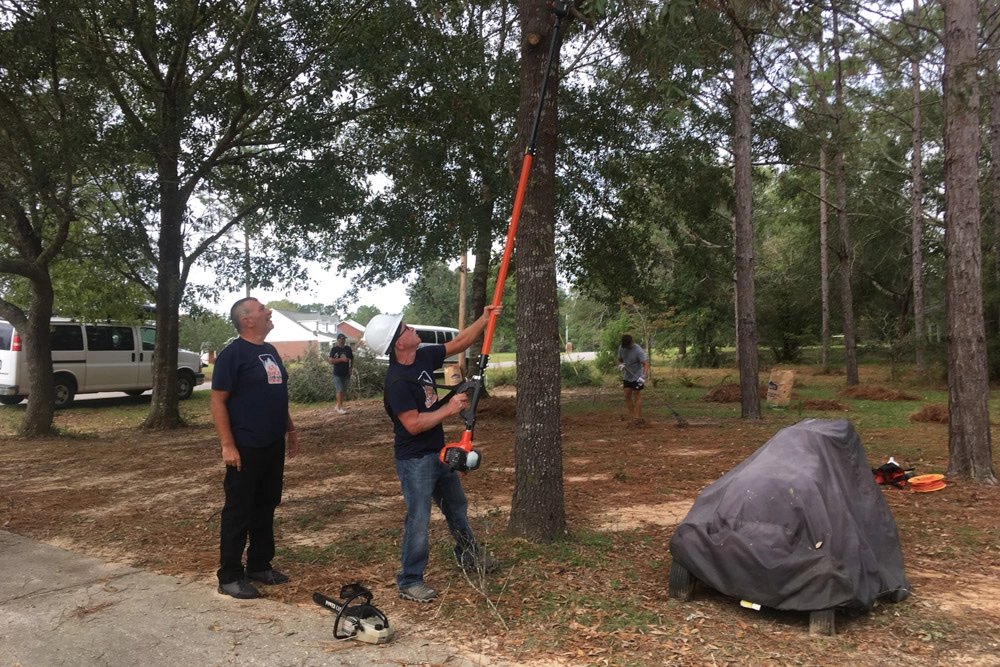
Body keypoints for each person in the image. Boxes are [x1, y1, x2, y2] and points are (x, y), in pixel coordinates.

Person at [362, 306, 502, 603]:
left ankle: (469, 556)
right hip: (415, 460)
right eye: (404, 328)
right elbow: (412, 425)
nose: (410, 327)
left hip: (438, 453)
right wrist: (450, 408)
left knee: (456, 507)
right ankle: (410, 580)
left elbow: (459, 343)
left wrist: (485, 317)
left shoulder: (423, 355)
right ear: (399, 344)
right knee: (419, 519)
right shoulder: (398, 382)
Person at [210, 297, 299, 599]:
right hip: (246, 445)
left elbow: (277, 393)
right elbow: (218, 401)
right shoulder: (232, 355)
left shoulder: (270, 351)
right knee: (239, 509)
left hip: (272, 442)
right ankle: (230, 575)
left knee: (267, 504)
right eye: (262, 309)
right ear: (247, 320)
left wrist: (289, 428)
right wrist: (227, 444)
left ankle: (259, 564)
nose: (268, 312)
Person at [617, 334, 650, 423]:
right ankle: (632, 416)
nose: (626, 348)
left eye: (628, 346)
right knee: (627, 395)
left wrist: (643, 376)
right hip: (627, 375)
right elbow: (619, 359)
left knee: (636, 394)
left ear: (631, 342)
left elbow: (646, 364)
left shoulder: (638, 350)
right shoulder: (621, 348)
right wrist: (620, 365)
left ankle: (637, 417)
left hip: (637, 375)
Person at [327, 333, 354, 414]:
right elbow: (331, 361)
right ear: (338, 340)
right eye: (341, 339)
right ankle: (340, 407)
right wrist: (341, 360)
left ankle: (338, 405)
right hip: (337, 373)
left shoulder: (348, 349)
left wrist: (351, 368)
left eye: (344, 339)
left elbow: (352, 358)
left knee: (344, 391)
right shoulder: (334, 349)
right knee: (340, 390)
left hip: (346, 373)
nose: (343, 340)